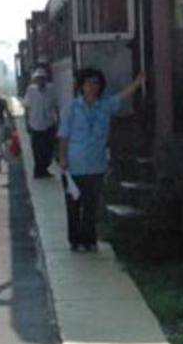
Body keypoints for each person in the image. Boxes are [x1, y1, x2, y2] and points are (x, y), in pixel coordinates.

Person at [57, 68, 145, 251]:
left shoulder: (105, 106)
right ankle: (75, 240)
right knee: (73, 205)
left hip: (96, 164)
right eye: (88, 83)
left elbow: (121, 97)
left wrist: (137, 83)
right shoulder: (71, 108)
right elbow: (63, 136)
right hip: (74, 165)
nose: (92, 87)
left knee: (91, 204)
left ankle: (89, 239)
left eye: (96, 83)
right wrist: (63, 159)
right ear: (81, 86)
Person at [23, 67, 58, 178]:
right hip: (35, 124)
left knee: (49, 148)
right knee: (37, 149)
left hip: (48, 123)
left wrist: (58, 121)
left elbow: (55, 106)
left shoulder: (51, 90)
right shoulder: (31, 90)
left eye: (42, 79)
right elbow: (26, 107)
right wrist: (26, 123)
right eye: (38, 79)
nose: (40, 81)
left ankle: (44, 168)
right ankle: (38, 171)